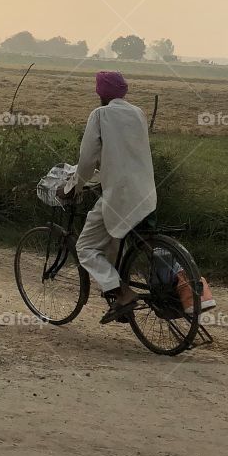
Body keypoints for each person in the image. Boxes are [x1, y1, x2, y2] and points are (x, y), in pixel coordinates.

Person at [61, 70, 157, 324]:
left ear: (100, 93)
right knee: (115, 243)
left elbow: (86, 161)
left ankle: (123, 295)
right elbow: (124, 155)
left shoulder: (100, 115)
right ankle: (118, 298)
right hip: (146, 194)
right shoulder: (138, 113)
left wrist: (74, 186)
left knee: (85, 247)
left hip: (119, 196)